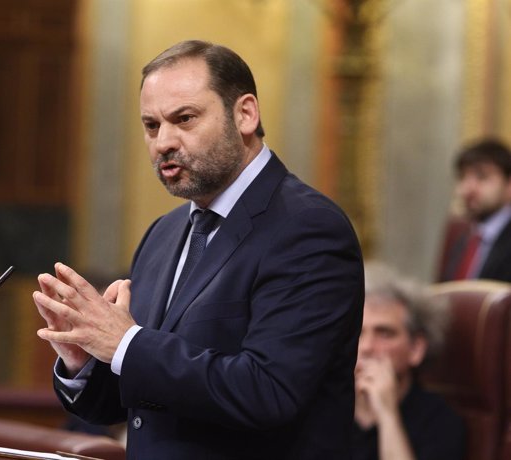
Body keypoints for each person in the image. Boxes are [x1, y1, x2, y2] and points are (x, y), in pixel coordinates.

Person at [33, 39, 364, 459]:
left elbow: (268, 391)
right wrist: (86, 361)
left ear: (244, 114)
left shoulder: (308, 229)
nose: (163, 142)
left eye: (184, 119)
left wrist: (126, 345)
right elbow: (134, 403)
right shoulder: (164, 233)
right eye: (151, 126)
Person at [353, 262, 466, 460]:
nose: (366, 347)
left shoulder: (439, 421)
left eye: (385, 334)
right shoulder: (327, 403)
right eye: (358, 333)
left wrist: (387, 415)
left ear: (416, 348)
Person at [437, 138, 511, 282]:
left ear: (509, 185)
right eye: (463, 177)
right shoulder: (459, 234)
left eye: (482, 177)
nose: (468, 188)